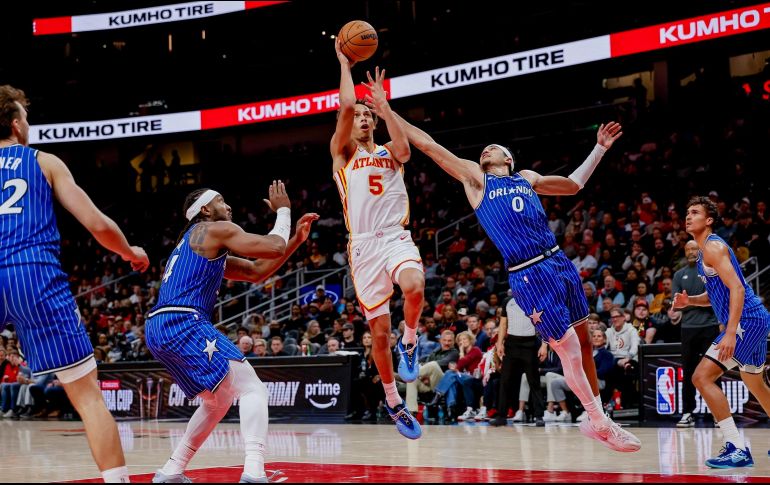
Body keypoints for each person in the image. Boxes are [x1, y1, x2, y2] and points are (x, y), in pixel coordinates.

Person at [391, 111, 640, 452]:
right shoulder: (477, 180)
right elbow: (429, 145)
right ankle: (598, 420)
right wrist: (387, 110)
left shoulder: (526, 177)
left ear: (507, 157)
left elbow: (573, 184)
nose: (484, 152)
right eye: (483, 151)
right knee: (566, 348)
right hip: (528, 273)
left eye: (491, 149)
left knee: (583, 343)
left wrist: (599, 149)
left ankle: (595, 419)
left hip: (559, 262)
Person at [0, 85, 149, 483]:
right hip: (34, 273)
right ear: (16, 125)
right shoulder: (44, 161)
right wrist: (129, 251)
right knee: (87, 397)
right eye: (26, 119)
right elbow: (97, 223)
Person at [146, 182, 317, 483]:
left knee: (217, 400)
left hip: (160, 327)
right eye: (222, 201)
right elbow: (272, 245)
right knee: (253, 389)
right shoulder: (211, 230)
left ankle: (171, 470)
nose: (229, 207)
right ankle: (254, 471)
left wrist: (295, 242)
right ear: (205, 210)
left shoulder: (198, 242)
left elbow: (256, 272)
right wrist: (284, 211)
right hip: (183, 321)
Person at [331, 42, 424, 439]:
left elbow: (405, 148)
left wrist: (385, 106)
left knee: (415, 286)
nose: (365, 119)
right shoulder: (342, 153)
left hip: (395, 237)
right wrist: (344, 64)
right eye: (362, 116)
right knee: (378, 334)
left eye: (369, 116)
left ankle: (412, 339)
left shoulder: (389, 150)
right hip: (363, 246)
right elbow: (347, 106)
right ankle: (393, 402)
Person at [673, 196, 770, 468]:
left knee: (701, 377)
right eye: (687, 212)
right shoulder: (706, 251)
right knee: (754, 383)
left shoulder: (714, 247)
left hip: (746, 322)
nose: (688, 216)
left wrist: (729, 333)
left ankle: (737, 448)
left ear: (709, 220)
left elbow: (738, 289)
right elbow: (718, 293)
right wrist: (690, 301)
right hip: (756, 320)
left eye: (695, 212)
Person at [671, 239, 720, 428]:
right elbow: (677, 304)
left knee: (714, 372)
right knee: (689, 373)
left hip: (710, 327)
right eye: (688, 249)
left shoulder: (709, 272)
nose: (691, 251)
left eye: (694, 248)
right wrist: (696, 302)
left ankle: (718, 414)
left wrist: (688, 302)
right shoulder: (679, 275)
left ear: (700, 251)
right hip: (688, 330)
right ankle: (687, 413)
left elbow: (714, 300)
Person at [492, 296, 546, 427]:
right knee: (505, 380)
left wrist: (544, 345)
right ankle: (501, 416)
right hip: (511, 344)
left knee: (534, 381)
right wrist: (500, 344)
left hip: (530, 344)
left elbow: (545, 323)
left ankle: (539, 416)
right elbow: (503, 324)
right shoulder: (507, 301)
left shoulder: (537, 299)